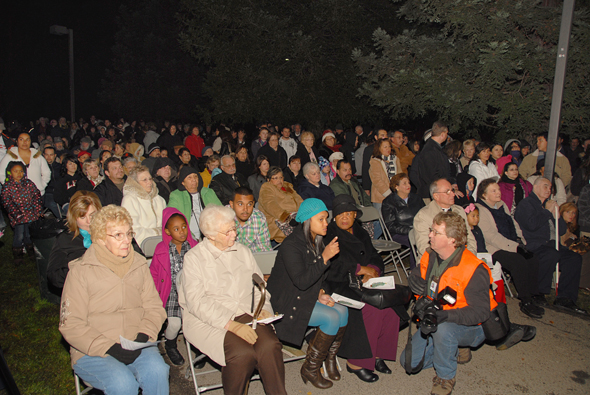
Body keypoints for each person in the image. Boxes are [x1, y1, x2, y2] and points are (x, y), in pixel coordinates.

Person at [402, 211, 535, 395]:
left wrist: (446, 316)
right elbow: (420, 271)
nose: (430, 235)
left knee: (444, 330)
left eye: (436, 232)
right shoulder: (431, 254)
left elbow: (481, 313)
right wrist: (414, 279)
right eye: (430, 230)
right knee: (408, 362)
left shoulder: (473, 269)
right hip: (435, 317)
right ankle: (453, 348)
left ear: (452, 240)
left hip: (472, 326)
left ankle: (445, 377)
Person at [59, 205, 169, 395]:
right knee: (122, 384)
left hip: (135, 341)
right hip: (93, 348)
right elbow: (71, 324)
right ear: (101, 238)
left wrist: (142, 337)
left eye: (128, 233)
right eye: (118, 235)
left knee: (158, 371)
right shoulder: (81, 271)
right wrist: (111, 348)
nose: (127, 240)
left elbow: (154, 308)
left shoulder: (139, 264)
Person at [178, 205, 287, 395]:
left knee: (270, 346)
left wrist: (264, 307)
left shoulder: (242, 251)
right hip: (209, 320)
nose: (234, 234)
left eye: (234, 228)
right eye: (227, 231)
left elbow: (259, 286)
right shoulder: (194, 258)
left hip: (247, 312)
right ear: (210, 235)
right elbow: (197, 303)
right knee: (242, 354)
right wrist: (231, 325)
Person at [266, 199, 347, 389]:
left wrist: (320, 293)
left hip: (305, 294)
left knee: (343, 312)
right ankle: (310, 368)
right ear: (308, 221)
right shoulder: (291, 246)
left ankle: (329, 359)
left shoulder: (316, 241)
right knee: (332, 318)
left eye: (326, 219)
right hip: (285, 303)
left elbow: (319, 277)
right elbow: (301, 281)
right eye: (321, 219)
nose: (326, 223)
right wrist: (325, 257)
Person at [324, 194, 402, 382]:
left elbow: (374, 255)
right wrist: (360, 269)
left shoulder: (360, 232)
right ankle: (356, 362)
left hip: (365, 281)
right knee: (370, 309)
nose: (345, 218)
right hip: (338, 283)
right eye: (341, 214)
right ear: (334, 217)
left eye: (349, 214)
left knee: (390, 307)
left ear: (355, 216)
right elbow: (332, 266)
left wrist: (373, 269)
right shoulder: (327, 234)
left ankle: (377, 354)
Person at [475, 178, 545, 318]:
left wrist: (520, 241)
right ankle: (525, 300)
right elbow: (491, 237)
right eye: (493, 191)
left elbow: (513, 224)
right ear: (484, 195)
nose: (498, 193)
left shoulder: (502, 205)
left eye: (498, 189)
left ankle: (534, 294)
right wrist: (515, 247)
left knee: (533, 258)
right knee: (518, 261)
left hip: (510, 243)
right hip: (493, 248)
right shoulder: (481, 210)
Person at [514, 178, 586, 314]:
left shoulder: (549, 205)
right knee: (550, 254)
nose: (548, 190)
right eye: (545, 186)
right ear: (535, 188)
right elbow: (531, 225)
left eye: (550, 187)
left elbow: (562, 230)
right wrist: (546, 212)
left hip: (552, 244)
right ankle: (537, 292)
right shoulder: (526, 204)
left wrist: (556, 215)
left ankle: (565, 298)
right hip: (534, 244)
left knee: (574, 258)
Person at [150, 208, 199, 366]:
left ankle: (199, 347)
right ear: (167, 231)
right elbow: (154, 273)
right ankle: (170, 344)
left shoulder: (194, 246)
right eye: (176, 229)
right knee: (175, 324)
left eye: (184, 227)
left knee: (196, 320)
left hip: (191, 289)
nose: (182, 232)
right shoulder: (161, 249)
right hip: (170, 291)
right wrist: (154, 295)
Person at [47, 191, 102, 289]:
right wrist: (79, 271)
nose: (89, 221)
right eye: (82, 217)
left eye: (92, 215)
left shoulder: (111, 234)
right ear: (74, 217)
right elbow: (54, 276)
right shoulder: (65, 240)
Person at [413, 178, 477, 260]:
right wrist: (451, 260)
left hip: (462, 259)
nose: (453, 194)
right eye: (447, 192)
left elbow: (469, 238)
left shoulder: (459, 211)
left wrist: (468, 257)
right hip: (435, 263)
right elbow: (424, 247)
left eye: (452, 190)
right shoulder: (424, 215)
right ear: (436, 196)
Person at [1, 161, 43, 264]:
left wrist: (37, 210)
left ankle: (31, 252)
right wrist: (16, 213)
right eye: (15, 171)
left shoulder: (29, 183)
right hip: (18, 217)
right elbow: (7, 202)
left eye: (21, 171)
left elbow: (36, 196)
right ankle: (18, 255)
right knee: (19, 235)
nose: (19, 173)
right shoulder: (7, 186)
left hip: (30, 215)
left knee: (29, 234)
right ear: (10, 172)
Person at [382, 173, 425, 269]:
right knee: (416, 242)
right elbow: (391, 225)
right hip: (399, 234)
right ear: (396, 187)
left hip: (418, 230)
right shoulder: (389, 202)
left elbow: (425, 215)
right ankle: (415, 273)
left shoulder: (416, 198)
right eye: (404, 183)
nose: (408, 186)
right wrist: (410, 230)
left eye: (409, 183)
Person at [167, 166, 221, 240]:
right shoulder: (176, 195)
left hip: (212, 235)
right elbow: (171, 218)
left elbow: (221, 211)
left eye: (195, 176)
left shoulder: (209, 192)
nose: (194, 180)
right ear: (183, 182)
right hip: (188, 236)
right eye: (189, 177)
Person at [121, 165, 166, 247]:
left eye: (150, 179)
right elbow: (133, 230)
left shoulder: (160, 200)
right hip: (143, 247)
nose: (149, 182)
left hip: (163, 246)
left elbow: (167, 225)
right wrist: (158, 233)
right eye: (144, 180)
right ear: (135, 183)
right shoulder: (130, 200)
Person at [258, 166, 303, 244]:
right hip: (278, 220)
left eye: (281, 177)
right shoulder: (267, 187)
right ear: (268, 180)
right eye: (275, 178)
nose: (279, 180)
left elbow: (300, 200)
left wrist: (306, 212)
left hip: (296, 217)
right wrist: (287, 218)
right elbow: (270, 205)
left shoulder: (287, 186)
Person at [409, 122, 450, 201]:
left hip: (437, 192)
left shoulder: (435, 149)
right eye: (447, 133)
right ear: (443, 134)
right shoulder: (429, 151)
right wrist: (443, 188)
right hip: (433, 194)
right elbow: (431, 175)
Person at [229, 186, 272, 252]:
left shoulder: (259, 218)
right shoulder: (223, 219)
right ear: (231, 204)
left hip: (252, 259)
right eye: (240, 204)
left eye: (249, 204)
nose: (245, 209)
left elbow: (263, 248)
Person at [369, 138, 400, 207]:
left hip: (396, 195)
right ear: (379, 148)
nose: (388, 149)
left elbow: (400, 176)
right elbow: (377, 180)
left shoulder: (395, 159)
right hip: (380, 197)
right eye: (385, 147)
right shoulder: (375, 161)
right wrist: (389, 194)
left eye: (389, 146)